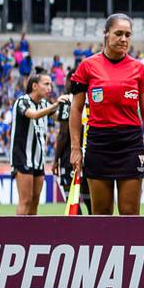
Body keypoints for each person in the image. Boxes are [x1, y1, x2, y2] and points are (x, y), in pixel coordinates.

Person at [69, 14, 144, 215]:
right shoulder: (87, 66)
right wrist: (75, 149)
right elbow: (76, 109)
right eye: (118, 33)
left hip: (130, 144)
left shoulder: (139, 68)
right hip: (98, 143)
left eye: (128, 35)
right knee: (101, 215)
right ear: (106, 34)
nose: (124, 39)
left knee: (130, 214)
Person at [10, 67, 71, 215]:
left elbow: (61, 118)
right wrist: (56, 104)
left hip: (38, 159)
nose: (50, 88)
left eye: (50, 84)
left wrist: (72, 106)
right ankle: (19, 236)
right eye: (46, 84)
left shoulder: (44, 104)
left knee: (35, 200)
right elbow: (34, 115)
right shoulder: (22, 101)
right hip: (23, 157)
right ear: (35, 86)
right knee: (25, 200)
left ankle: (31, 235)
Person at [52, 67, 91, 214]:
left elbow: (63, 134)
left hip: (71, 157)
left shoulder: (68, 100)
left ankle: (79, 235)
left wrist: (56, 160)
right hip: (89, 156)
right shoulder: (90, 99)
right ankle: (97, 234)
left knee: (72, 200)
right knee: (90, 200)